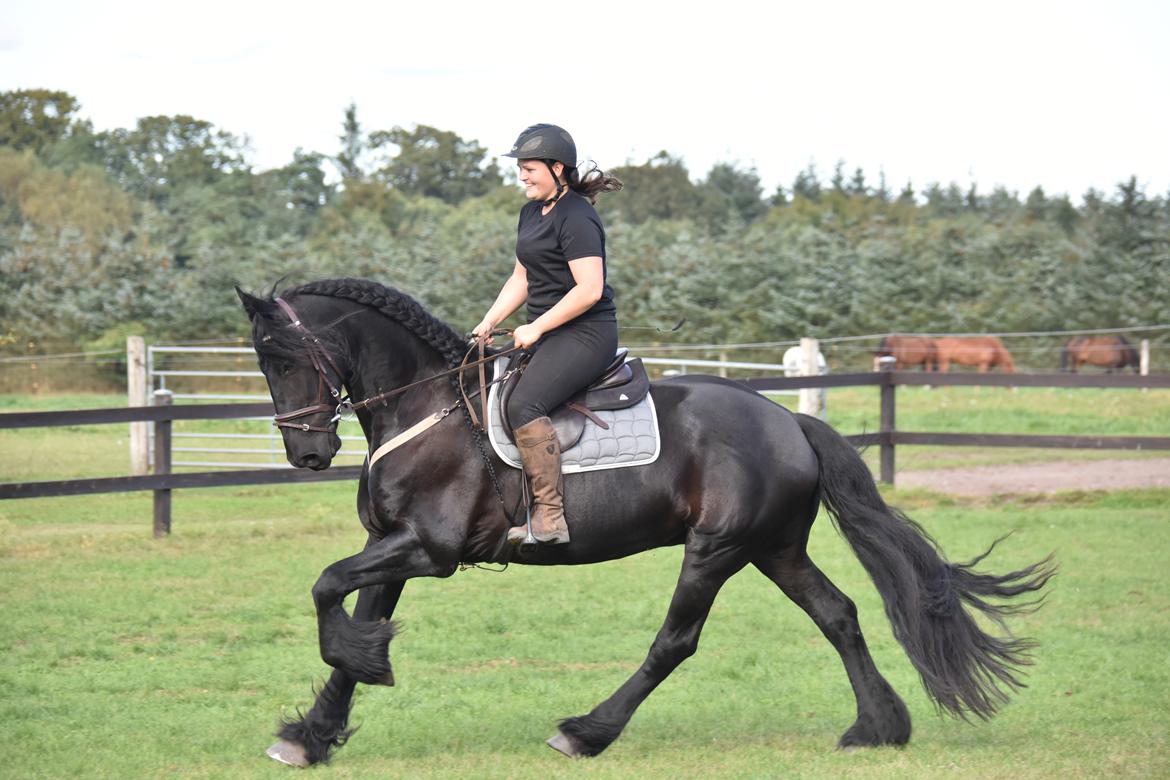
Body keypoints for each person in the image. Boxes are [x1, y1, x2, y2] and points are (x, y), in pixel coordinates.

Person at [472, 123, 623, 546]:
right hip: (544, 334)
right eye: (520, 168)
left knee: (523, 403)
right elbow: (522, 276)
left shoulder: (578, 215)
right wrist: (488, 320)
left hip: (585, 335)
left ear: (558, 168)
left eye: (529, 168)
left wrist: (536, 325)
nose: (522, 176)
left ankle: (550, 518)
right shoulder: (530, 212)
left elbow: (589, 289)